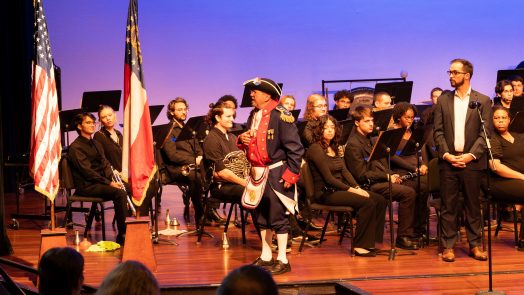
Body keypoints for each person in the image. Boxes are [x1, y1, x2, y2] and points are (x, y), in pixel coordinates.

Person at [238, 77, 304, 275]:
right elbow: (253, 143)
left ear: (267, 95)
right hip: (257, 173)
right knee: (261, 217)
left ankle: (283, 259)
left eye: (254, 92)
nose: (251, 94)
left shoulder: (281, 115)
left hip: (276, 173)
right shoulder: (254, 115)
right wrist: (242, 139)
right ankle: (267, 256)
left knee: (277, 218)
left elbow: (295, 149)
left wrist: (290, 174)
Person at [433, 58, 491, 262]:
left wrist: (469, 156)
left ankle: (475, 245)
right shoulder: (444, 100)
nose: (451, 76)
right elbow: (438, 132)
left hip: (472, 162)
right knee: (448, 205)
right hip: (449, 161)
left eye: (455, 72)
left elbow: (485, 135)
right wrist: (447, 155)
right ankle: (448, 246)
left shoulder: (482, 101)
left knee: (473, 205)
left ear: (466, 75)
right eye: (449, 72)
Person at [307, 115, 386, 256]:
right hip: (325, 193)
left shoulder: (334, 147)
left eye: (332, 127)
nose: (330, 130)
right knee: (367, 203)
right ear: (319, 130)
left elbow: (344, 171)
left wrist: (357, 188)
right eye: (326, 128)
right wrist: (352, 191)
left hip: (338, 189)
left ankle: (371, 241)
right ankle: (360, 246)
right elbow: (329, 179)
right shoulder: (315, 149)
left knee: (380, 200)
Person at [345, 105, 419, 250]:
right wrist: (386, 176)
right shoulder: (354, 144)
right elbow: (361, 174)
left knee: (413, 185)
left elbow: (380, 164)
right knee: (408, 193)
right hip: (367, 185)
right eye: (366, 121)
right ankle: (403, 237)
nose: (371, 124)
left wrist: (391, 175)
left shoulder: (369, 140)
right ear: (356, 123)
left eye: (372, 120)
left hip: (378, 180)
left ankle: (412, 232)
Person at [68, 112, 128, 244]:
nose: (92, 125)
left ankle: (135, 226)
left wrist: (115, 178)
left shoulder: (95, 143)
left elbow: (105, 163)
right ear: (79, 126)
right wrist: (109, 183)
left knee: (128, 186)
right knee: (119, 193)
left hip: (99, 182)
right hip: (87, 186)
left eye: (93, 123)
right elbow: (88, 172)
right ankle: (123, 234)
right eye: (88, 123)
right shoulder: (75, 147)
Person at [160, 98, 220, 226]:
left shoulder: (189, 128)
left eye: (185, 109)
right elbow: (172, 156)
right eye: (179, 109)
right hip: (176, 169)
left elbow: (198, 147)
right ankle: (200, 215)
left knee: (215, 172)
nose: (183, 112)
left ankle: (211, 209)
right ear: (171, 112)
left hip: (193, 165)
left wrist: (200, 157)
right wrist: (194, 160)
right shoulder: (169, 130)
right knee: (196, 177)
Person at [94, 105, 154, 216]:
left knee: (147, 186)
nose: (108, 118)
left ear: (115, 115)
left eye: (110, 115)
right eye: (104, 117)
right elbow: (101, 160)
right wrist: (114, 172)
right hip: (113, 175)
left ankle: (142, 219)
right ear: (100, 120)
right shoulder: (99, 136)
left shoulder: (119, 134)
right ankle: (131, 221)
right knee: (130, 188)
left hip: (125, 173)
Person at [390, 102, 429, 239]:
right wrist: (414, 168)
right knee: (417, 188)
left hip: (416, 170)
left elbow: (421, 150)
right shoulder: (392, 133)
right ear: (398, 116)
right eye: (407, 117)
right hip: (401, 172)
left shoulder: (413, 132)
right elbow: (392, 157)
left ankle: (419, 228)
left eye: (412, 118)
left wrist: (423, 164)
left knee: (426, 187)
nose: (410, 120)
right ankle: (409, 230)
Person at [489, 106, 524, 250]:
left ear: (509, 119)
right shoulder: (492, 138)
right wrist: (522, 176)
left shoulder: (520, 136)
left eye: (503, 117)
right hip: (500, 182)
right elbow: (496, 167)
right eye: (496, 118)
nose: (501, 121)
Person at [203, 102, 247, 210]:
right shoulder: (211, 139)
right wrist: (245, 183)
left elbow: (242, 161)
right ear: (218, 117)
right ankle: (262, 225)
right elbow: (222, 173)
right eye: (228, 116)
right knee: (252, 192)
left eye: (232, 116)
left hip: (234, 182)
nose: (232, 119)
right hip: (221, 187)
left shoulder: (232, 137)